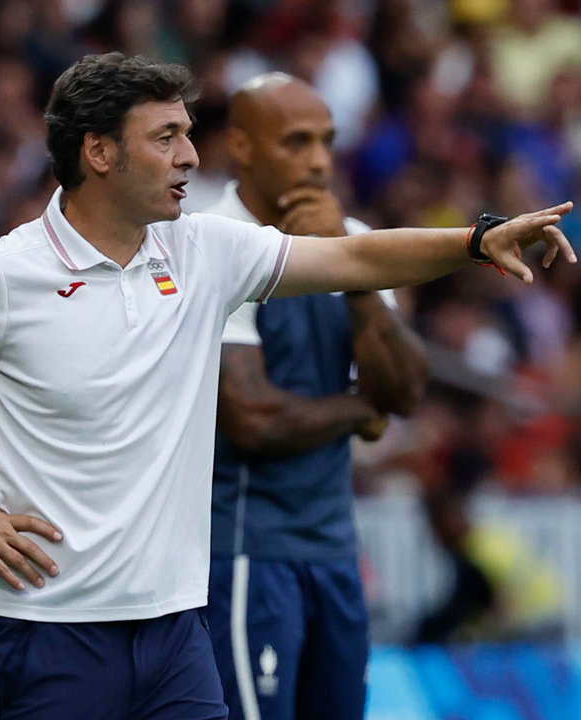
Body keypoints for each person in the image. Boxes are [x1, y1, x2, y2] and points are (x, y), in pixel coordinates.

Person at [0, 53, 576, 720]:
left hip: (178, 632)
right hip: (48, 631)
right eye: (165, 138)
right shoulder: (2, 274)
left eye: (188, 134)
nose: (189, 155)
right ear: (99, 152)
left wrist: (477, 241)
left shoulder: (202, 249)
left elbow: (355, 260)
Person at [205, 73, 428, 720]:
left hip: (333, 552)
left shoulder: (350, 233)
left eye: (327, 142)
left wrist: (351, 271)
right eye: (297, 142)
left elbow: (407, 389)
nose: (320, 161)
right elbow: (252, 416)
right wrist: (361, 411)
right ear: (242, 147)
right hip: (246, 554)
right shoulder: (211, 244)